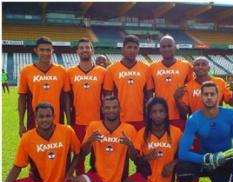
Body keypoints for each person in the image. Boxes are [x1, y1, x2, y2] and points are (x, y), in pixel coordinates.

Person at [2, 103, 81, 182]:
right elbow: (18, 166)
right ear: (36, 117)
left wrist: (70, 174)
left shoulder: (67, 131)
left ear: (54, 116)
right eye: (41, 116)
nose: (45, 119)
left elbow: (78, 153)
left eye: (48, 116)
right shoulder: (27, 138)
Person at [71, 95, 136, 182]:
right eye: (107, 107)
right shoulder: (94, 126)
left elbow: (136, 159)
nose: (111, 110)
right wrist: (90, 140)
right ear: (102, 109)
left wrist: (131, 146)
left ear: (119, 108)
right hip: (98, 177)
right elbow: (82, 153)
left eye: (114, 107)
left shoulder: (129, 129)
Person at [118, 97, 181, 182]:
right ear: (149, 114)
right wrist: (141, 154)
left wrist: (173, 164)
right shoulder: (142, 133)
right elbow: (136, 161)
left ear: (166, 113)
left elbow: (186, 154)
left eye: (161, 111)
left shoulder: (176, 132)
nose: (158, 115)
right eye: (154, 112)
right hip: (146, 179)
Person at [66, 38, 106, 174]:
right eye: (81, 47)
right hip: (78, 122)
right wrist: (69, 120)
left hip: (98, 122)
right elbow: (67, 98)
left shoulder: (102, 72)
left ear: (92, 50)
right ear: (77, 51)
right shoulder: (70, 72)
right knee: (79, 155)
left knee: (98, 157)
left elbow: (106, 97)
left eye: (87, 47)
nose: (84, 50)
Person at [18, 37, 70, 136]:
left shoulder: (62, 71)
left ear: (52, 51)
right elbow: (22, 98)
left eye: (48, 50)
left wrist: (69, 120)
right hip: (34, 120)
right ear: (36, 51)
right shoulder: (26, 71)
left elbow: (66, 97)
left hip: (57, 120)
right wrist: (21, 123)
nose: (45, 53)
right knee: (36, 149)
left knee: (58, 148)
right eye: (42, 50)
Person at [102, 35, 150, 131]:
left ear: (138, 50)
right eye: (129, 47)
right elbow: (107, 96)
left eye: (135, 48)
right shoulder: (112, 69)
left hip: (141, 119)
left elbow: (149, 96)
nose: (132, 50)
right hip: (119, 119)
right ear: (123, 49)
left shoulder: (146, 68)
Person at [146, 35, 193, 131]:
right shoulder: (152, 67)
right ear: (160, 49)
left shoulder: (186, 66)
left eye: (169, 46)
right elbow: (150, 92)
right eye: (163, 46)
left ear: (175, 47)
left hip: (180, 116)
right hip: (159, 118)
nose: (166, 49)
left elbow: (191, 90)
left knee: (179, 145)